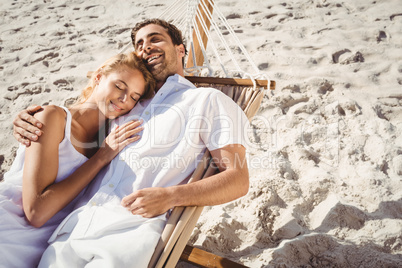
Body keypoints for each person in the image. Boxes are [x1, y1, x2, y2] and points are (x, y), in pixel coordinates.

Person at [12, 19, 249, 267]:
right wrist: (28, 119)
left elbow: (238, 178)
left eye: (155, 38)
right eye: (139, 43)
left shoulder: (206, 100)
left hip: (129, 234)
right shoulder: (126, 105)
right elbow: (74, 126)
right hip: (72, 229)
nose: (145, 46)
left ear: (181, 50)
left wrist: (171, 196)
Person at [0, 52, 155, 267]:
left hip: (51, 246)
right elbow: (36, 212)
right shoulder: (53, 117)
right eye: (120, 86)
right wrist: (101, 157)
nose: (124, 99)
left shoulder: (111, 136)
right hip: (9, 229)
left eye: (134, 97)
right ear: (99, 77)